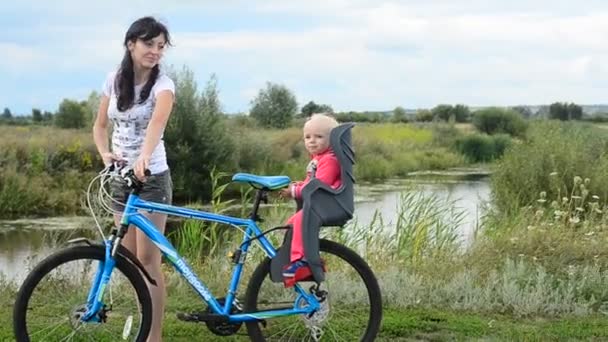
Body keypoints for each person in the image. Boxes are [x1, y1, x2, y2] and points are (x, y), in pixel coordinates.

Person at [92, 16, 174, 342]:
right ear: (131, 44)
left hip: (151, 177)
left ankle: (154, 336)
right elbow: (99, 126)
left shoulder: (163, 85)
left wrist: (144, 156)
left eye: (160, 46)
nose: (154, 51)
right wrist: (104, 155)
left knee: (148, 261)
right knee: (126, 259)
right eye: (148, 44)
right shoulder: (114, 80)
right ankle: (141, 325)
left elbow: (157, 124)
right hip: (120, 177)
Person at [279, 113, 341, 286]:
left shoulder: (330, 160)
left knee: (301, 220)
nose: (312, 141)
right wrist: (298, 185)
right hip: (319, 203)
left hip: (327, 203)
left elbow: (319, 186)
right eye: (308, 137)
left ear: (332, 140)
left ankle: (302, 261)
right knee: (290, 224)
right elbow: (310, 183)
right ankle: (309, 259)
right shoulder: (318, 159)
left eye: (319, 137)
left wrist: (294, 191)